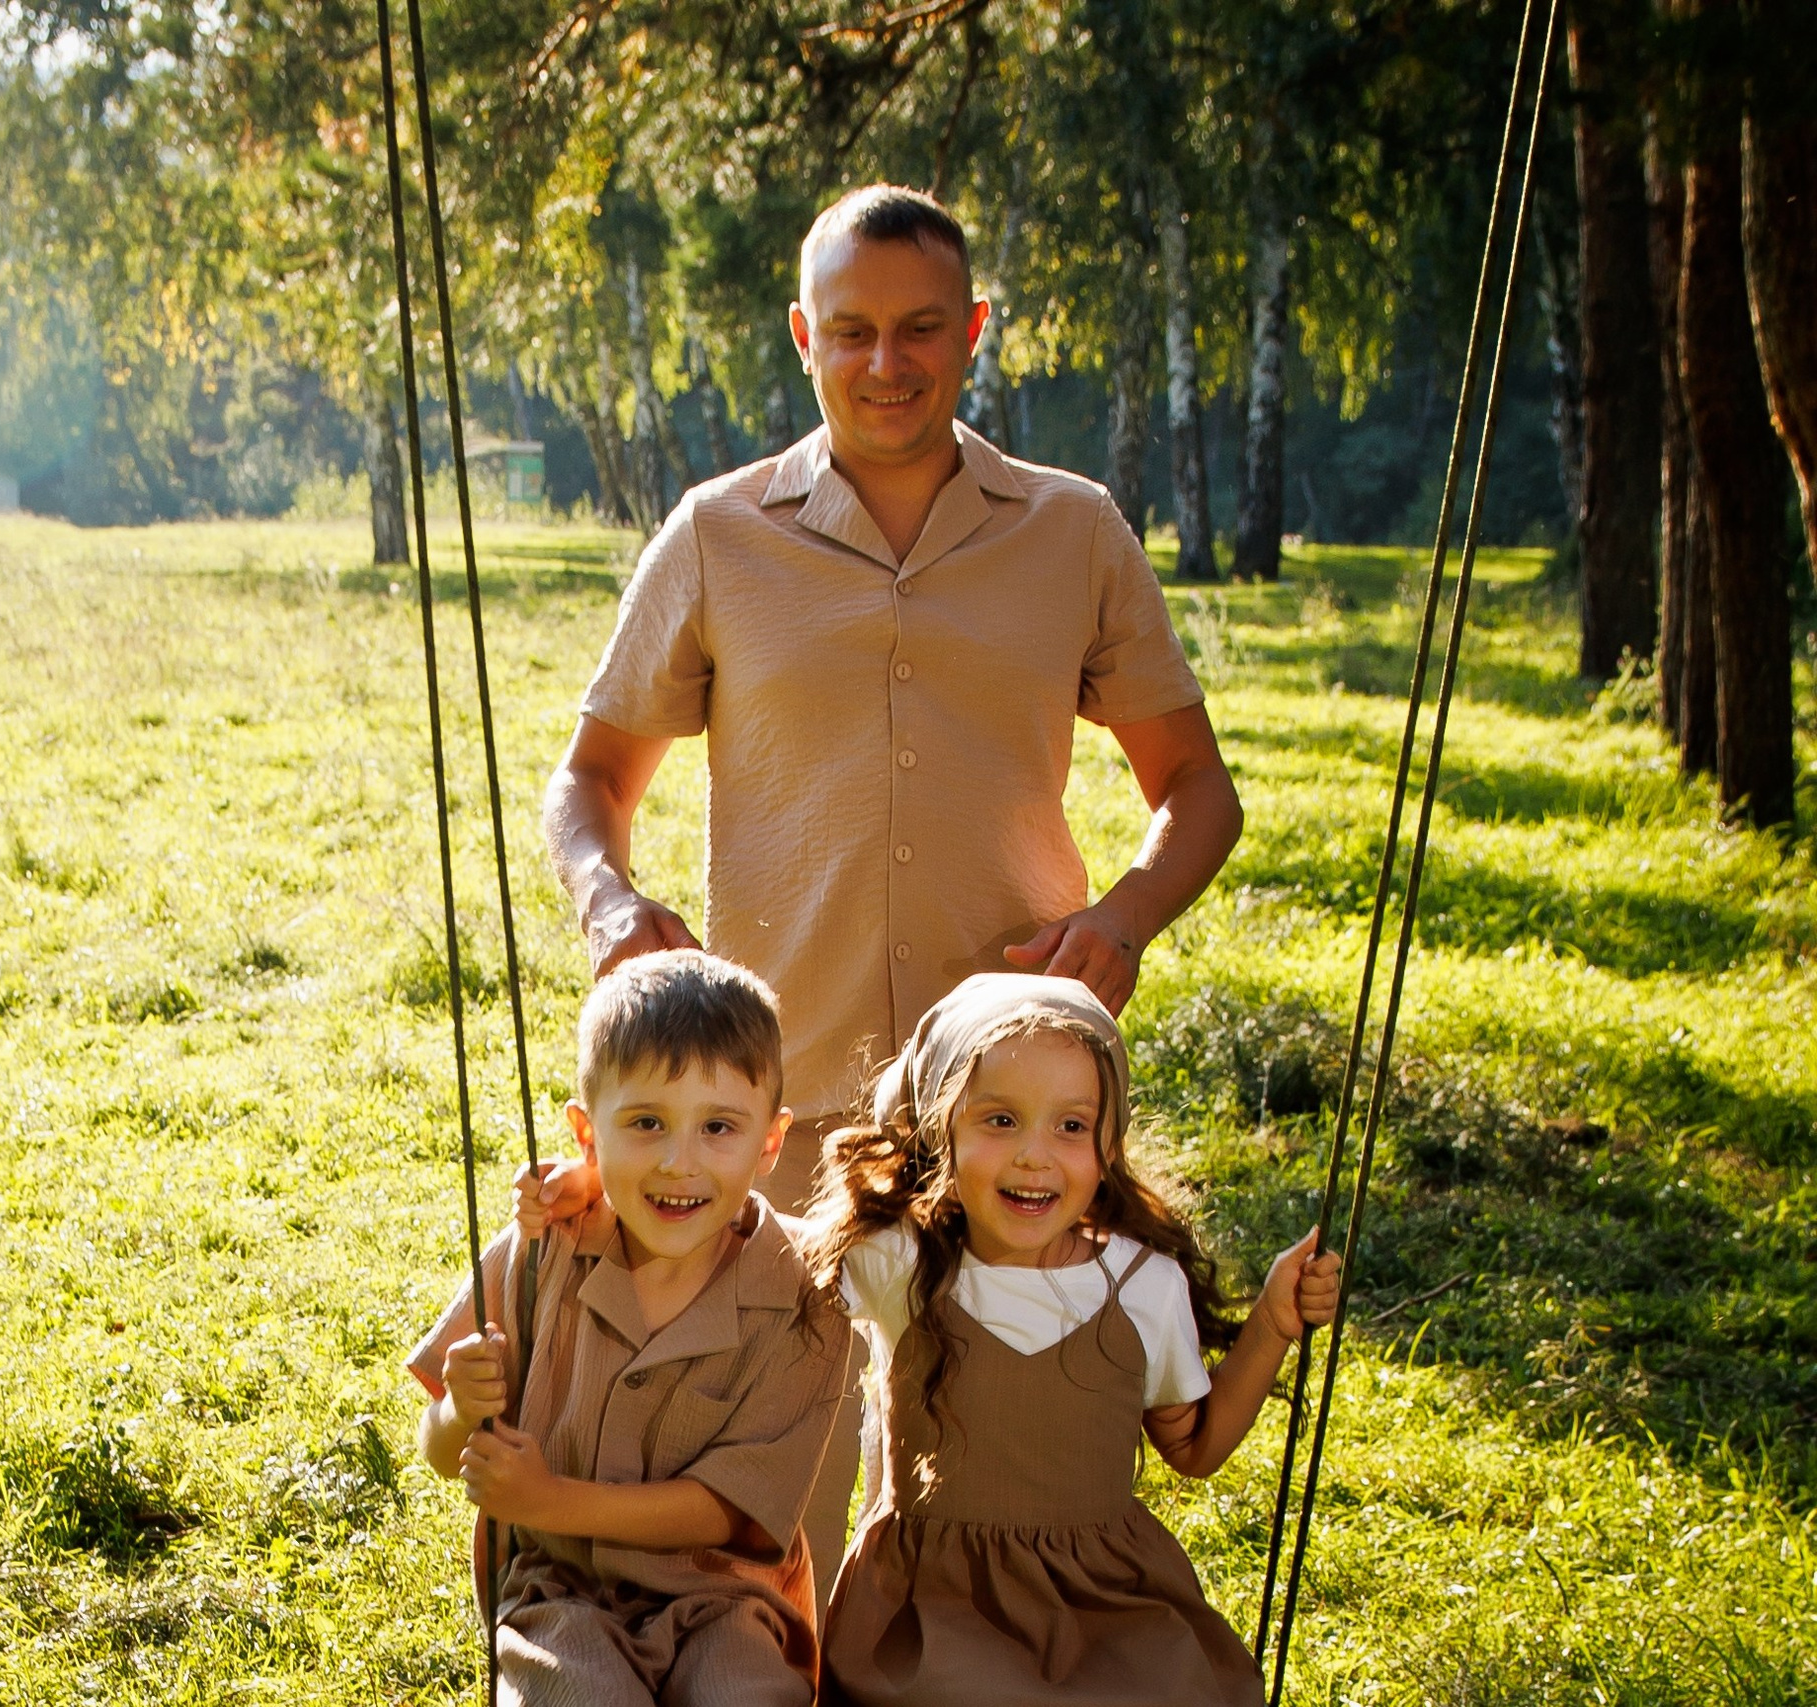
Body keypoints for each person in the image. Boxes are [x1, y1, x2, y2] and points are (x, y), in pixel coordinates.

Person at [540, 180, 1243, 1590]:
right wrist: (611, 903)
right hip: (783, 1087)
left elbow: (1198, 797)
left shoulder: (1074, 529)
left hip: (1012, 1103)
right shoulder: (718, 533)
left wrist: (1121, 918)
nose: (888, 362)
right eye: (852, 330)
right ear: (805, 335)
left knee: (993, 1478)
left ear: (975, 329)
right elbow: (586, 785)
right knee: (779, 1474)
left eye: (923, 327)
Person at [804, 973, 1340, 1706]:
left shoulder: (1142, 1285)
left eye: (1071, 1125)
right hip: (933, 1610)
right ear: (941, 1129)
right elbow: (769, 1267)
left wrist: (1274, 1324)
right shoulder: (902, 1263)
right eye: (1000, 1120)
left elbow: (1196, 1446)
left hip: (1103, 1606)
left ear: (1108, 1143)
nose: (1035, 1154)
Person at [411, 951, 855, 1707]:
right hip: (562, 1593)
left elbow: (722, 1509)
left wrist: (547, 1499)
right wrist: (457, 1407)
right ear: (587, 1132)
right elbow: (447, 1453)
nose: (680, 1163)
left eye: (719, 1126)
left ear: (771, 1142)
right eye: (646, 1123)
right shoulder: (542, 1248)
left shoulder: (806, 1295)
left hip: (729, 1599)